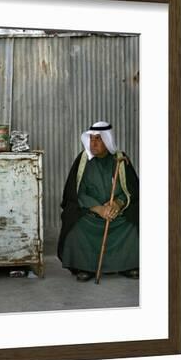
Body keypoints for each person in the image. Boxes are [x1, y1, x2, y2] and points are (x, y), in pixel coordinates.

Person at [57, 121, 139, 282]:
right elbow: (76, 193)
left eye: (98, 139)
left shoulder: (121, 160)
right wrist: (98, 208)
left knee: (133, 221)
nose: (93, 143)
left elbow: (131, 190)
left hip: (117, 214)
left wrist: (118, 203)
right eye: (91, 139)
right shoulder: (82, 160)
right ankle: (85, 266)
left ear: (107, 141)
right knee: (74, 222)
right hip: (90, 213)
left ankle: (127, 264)